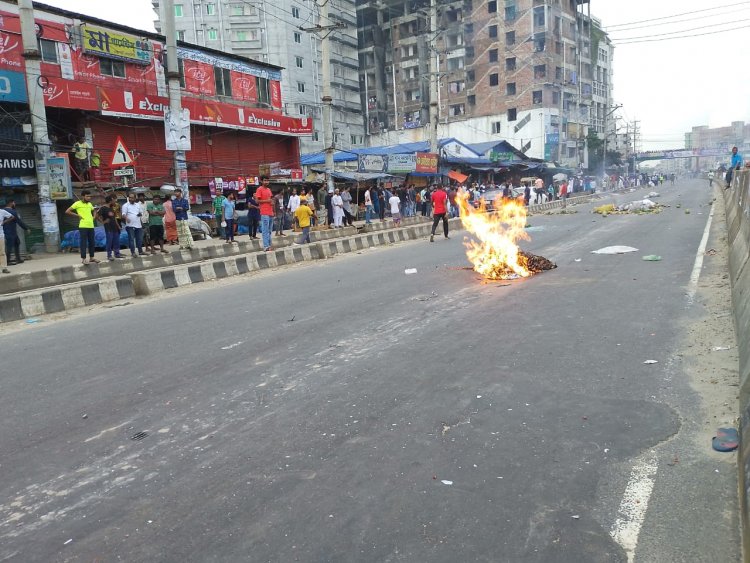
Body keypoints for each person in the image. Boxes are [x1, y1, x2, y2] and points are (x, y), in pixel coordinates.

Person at [65, 190, 99, 264]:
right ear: (83, 196)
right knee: (83, 242)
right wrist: (78, 215)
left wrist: (94, 216)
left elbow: (94, 211)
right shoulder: (77, 203)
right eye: (87, 196)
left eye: (90, 196)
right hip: (83, 226)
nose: (89, 197)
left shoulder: (90, 204)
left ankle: (92, 258)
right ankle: (83, 259)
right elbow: (67, 211)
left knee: (92, 242)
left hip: (91, 226)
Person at [2, 200, 28, 267]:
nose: (15, 204)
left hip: (9, 231)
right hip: (10, 232)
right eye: (14, 203)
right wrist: (26, 228)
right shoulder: (13, 212)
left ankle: (18, 259)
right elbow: (19, 222)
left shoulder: (3, 211)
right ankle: (7, 261)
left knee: (17, 243)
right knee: (9, 246)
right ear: (11, 203)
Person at [98, 195, 123, 260]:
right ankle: (109, 255)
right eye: (113, 200)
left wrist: (118, 226)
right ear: (110, 200)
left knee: (116, 241)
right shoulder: (103, 208)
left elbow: (114, 218)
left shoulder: (111, 208)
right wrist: (103, 222)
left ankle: (117, 254)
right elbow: (96, 215)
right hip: (108, 228)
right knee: (109, 241)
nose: (115, 201)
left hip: (115, 227)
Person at [121, 192, 146, 257]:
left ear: (135, 198)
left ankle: (140, 251)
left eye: (132, 197)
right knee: (131, 239)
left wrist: (140, 214)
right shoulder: (125, 205)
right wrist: (126, 218)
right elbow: (123, 214)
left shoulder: (138, 205)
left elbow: (141, 213)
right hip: (130, 225)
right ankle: (133, 252)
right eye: (130, 197)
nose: (131, 199)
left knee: (139, 239)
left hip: (138, 224)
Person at [255, 175, 274, 251]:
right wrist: (267, 201)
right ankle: (266, 246)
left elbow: (271, 200)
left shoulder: (269, 190)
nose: (266, 182)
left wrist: (272, 203)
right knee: (265, 230)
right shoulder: (259, 189)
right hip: (264, 212)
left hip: (270, 212)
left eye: (267, 180)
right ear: (261, 181)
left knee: (269, 231)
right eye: (265, 180)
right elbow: (257, 201)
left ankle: (269, 245)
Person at [0, 206, 12, 273]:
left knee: (2, 252)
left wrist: (4, 222)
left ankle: (4, 268)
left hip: (0, 235)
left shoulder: (2, 212)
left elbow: (11, 217)